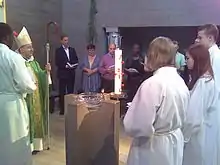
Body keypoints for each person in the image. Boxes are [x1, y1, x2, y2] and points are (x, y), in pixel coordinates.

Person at [123, 36, 189, 165]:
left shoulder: (152, 84)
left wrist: (132, 112)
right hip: (173, 140)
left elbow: (138, 125)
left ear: (154, 56)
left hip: (153, 146)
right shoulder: (179, 80)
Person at [0, 23, 36, 165]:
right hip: (11, 106)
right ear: (6, 37)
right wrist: (33, 86)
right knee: (14, 143)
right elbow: (24, 84)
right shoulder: (13, 57)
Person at [14, 27, 51, 153]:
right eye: (29, 47)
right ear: (21, 49)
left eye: (32, 47)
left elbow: (40, 75)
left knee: (37, 119)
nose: (32, 50)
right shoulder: (18, 63)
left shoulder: (33, 62)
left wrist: (46, 72)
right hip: (25, 98)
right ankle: (27, 146)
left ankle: (37, 145)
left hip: (36, 98)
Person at [182, 44, 219, 165]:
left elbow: (193, 117)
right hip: (204, 133)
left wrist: (183, 137)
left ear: (197, 59)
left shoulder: (203, 83)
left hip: (197, 136)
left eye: (188, 58)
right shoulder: (206, 80)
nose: (185, 61)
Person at [55, 34, 78, 115]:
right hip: (63, 74)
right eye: (65, 40)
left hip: (71, 73)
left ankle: (70, 108)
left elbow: (76, 60)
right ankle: (62, 109)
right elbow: (57, 62)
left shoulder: (72, 50)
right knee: (62, 92)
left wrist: (73, 65)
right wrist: (65, 65)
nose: (66, 42)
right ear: (61, 41)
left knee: (70, 92)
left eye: (67, 40)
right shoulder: (58, 51)